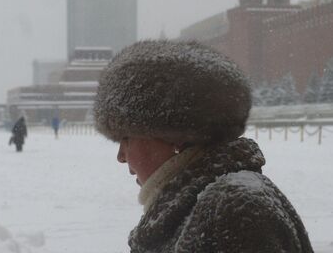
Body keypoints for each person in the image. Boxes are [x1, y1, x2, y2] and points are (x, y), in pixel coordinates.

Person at [93, 40, 313, 253]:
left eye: (126, 139)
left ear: (175, 136)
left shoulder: (233, 206)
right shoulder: (192, 207)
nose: (121, 156)